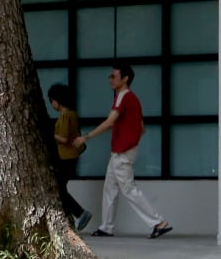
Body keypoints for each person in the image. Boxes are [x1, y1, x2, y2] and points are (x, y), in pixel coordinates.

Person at [73, 62, 172, 239]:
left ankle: (158, 222)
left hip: (122, 151)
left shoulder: (123, 97)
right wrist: (130, 139)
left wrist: (85, 137)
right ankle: (106, 227)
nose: (110, 79)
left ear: (124, 79)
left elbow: (110, 122)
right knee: (110, 187)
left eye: (113, 76)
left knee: (128, 188)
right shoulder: (132, 98)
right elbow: (141, 128)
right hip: (123, 150)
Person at [47, 84, 93, 231]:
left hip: (66, 157)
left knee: (58, 189)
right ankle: (70, 217)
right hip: (67, 157)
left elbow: (65, 138)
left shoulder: (67, 115)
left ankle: (80, 213)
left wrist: (49, 134)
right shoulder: (69, 114)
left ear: (58, 100)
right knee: (59, 188)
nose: (52, 104)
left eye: (52, 100)